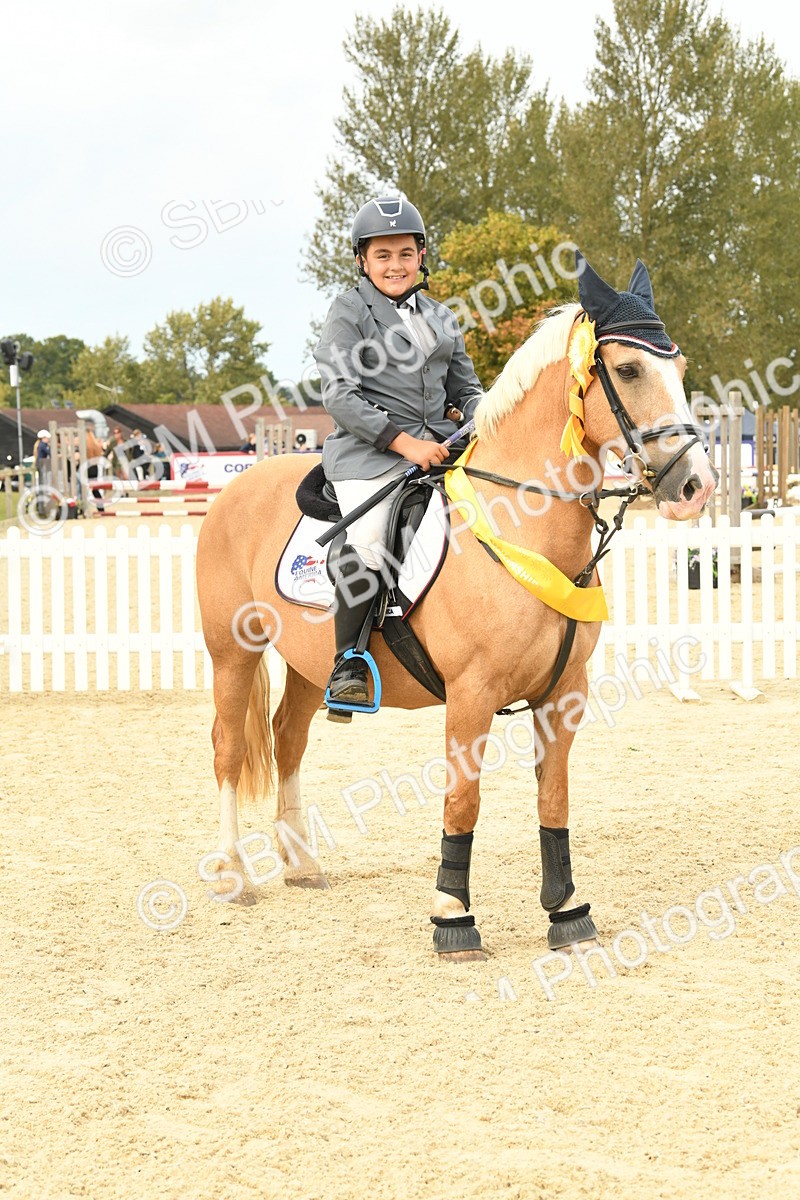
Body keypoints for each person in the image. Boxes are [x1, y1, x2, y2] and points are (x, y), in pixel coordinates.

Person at [314, 195, 483, 708]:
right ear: (363, 260)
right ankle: (350, 663)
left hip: (440, 452)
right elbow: (339, 394)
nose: (395, 265)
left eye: (405, 254)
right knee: (368, 541)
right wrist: (406, 444)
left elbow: (467, 387)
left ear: (421, 255)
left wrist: (476, 412)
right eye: (383, 255)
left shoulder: (439, 314)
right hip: (371, 456)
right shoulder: (349, 312)